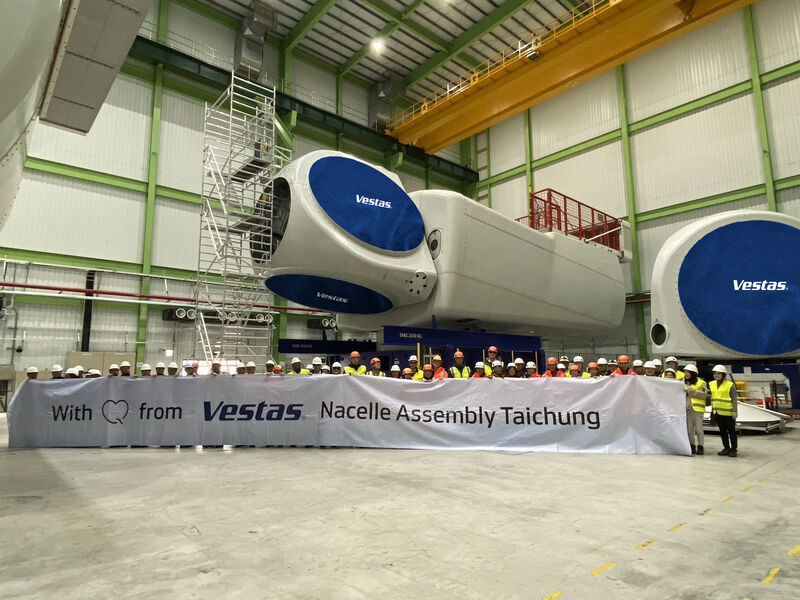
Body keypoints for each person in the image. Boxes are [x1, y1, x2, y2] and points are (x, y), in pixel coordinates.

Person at [710, 365, 738, 457]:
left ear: (723, 374)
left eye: (718, 374)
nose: (716, 375)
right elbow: (713, 397)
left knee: (731, 432)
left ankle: (733, 449)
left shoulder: (730, 385)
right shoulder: (711, 384)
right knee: (722, 432)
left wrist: (734, 411)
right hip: (717, 412)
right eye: (715, 374)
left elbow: (734, 399)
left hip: (728, 413)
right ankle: (726, 448)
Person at [683, 364, 707, 455]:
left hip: (697, 410)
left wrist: (690, 390)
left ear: (693, 373)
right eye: (685, 372)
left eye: (688, 372)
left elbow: (703, 394)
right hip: (687, 409)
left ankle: (700, 446)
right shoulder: (682, 382)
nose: (686, 374)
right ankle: (692, 446)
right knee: (689, 430)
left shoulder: (701, 383)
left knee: (699, 429)